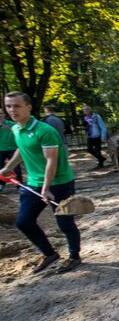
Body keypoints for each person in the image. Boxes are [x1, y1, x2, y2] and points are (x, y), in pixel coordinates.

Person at [0, 92, 82, 273]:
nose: (13, 110)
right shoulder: (16, 129)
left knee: (64, 223)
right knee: (24, 222)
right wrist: (8, 167)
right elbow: (22, 149)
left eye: (17, 106)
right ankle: (49, 253)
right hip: (34, 183)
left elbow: (51, 161)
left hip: (59, 183)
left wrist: (46, 188)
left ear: (28, 107)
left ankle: (74, 256)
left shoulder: (44, 131)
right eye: (9, 106)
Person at [0, 103, 23, 192]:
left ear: (4, 115)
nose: (0, 115)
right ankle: (1, 185)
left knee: (16, 168)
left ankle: (19, 186)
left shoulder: (12, 124)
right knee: (1, 168)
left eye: (1, 114)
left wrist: (9, 128)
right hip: (0, 149)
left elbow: (20, 132)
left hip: (12, 148)